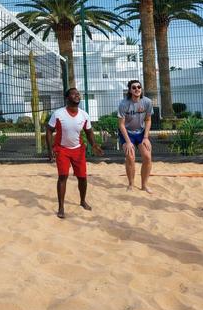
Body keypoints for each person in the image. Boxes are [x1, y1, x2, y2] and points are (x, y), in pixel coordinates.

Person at [46, 88, 103, 219]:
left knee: (82, 177)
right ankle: (61, 207)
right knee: (63, 176)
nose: (77, 95)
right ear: (67, 98)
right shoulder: (58, 114)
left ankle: (82, 201)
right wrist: (50, 150)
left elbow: (88, 132)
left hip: (78, 149)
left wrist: (94, 144)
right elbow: (49, 130)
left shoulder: (84, 115)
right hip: (62, 149)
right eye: (74, 93)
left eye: (78, 94)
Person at [117, 80, 153, 192]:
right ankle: (131, 184)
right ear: (130, 90)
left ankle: (144, 185)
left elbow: (148, 120)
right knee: (130, 157)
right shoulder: (124, 104)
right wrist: (128, 142)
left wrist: (146, 137)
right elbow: (121, 125)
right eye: (134, 87)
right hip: (127, 133)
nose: (137, 89)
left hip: (141, 133)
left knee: (147, 157)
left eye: (139, 87)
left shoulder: (147, 102)